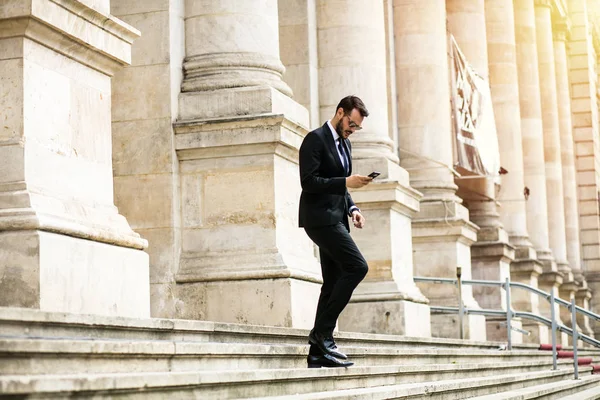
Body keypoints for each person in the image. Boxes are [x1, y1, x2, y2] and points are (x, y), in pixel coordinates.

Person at [298, 95, 373, 368]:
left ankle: (318, 353)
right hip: (319, 219)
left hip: (338, 218)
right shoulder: (315, 139)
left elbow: (343, 188)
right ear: (340, 112)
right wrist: (345, 181)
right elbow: (309, 182)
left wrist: (353, 209)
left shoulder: (346, 145)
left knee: (332, 281)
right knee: (357, 267)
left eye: (357, 128)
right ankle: (322, 335)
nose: (352, 130)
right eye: (351, 124)